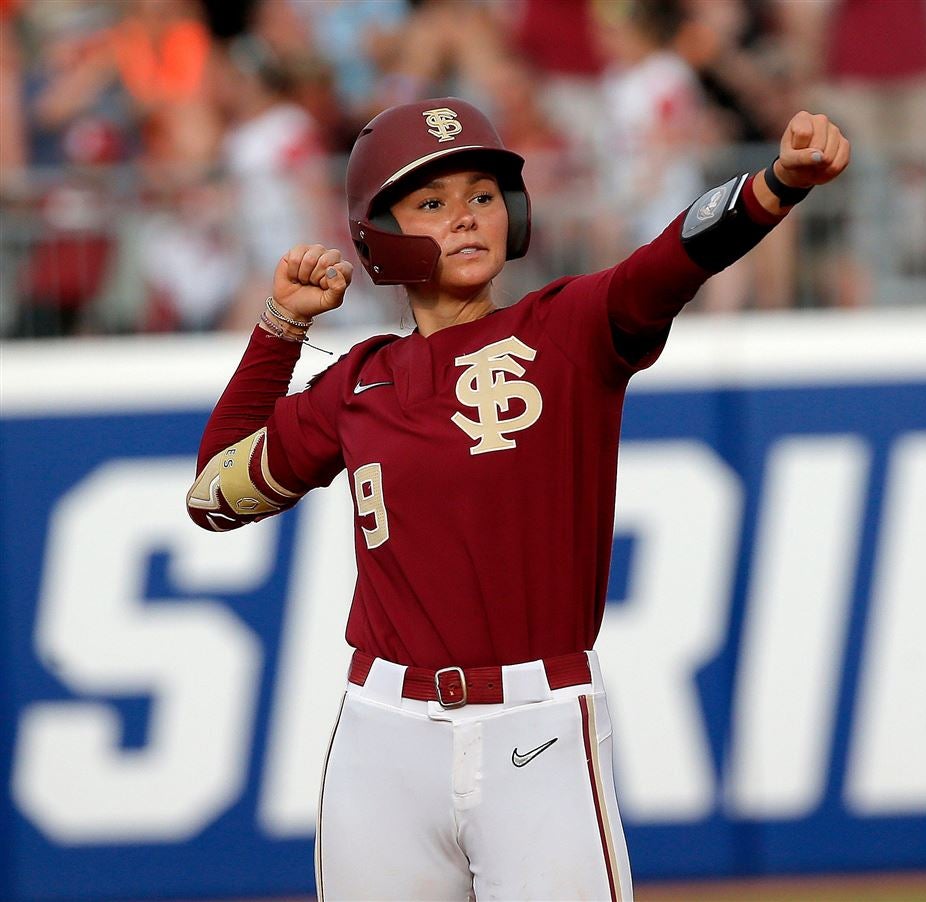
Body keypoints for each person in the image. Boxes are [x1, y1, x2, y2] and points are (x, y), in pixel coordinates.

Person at [186, 97, 848, 900]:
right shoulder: (357, 379)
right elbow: (215, 493)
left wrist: (774, 185)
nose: (466, 218)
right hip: (381, 735)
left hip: (538, 726)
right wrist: (279, 328)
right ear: (377, 234)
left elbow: (673, 258)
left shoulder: (568, 328)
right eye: (431, 202)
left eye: (483, 195)